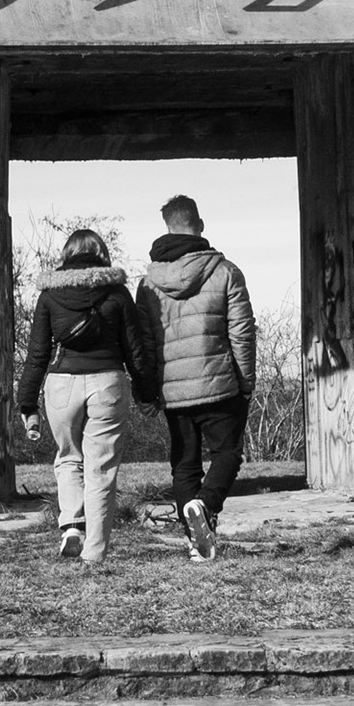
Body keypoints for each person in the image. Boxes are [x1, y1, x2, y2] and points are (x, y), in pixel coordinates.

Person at [17, 228, 159, 564]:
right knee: (101, 468)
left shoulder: (50, 295)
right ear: (101, 255)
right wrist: (146, 393)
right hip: (107, 382)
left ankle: (72, 527)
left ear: (67, 255)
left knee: (68, 458)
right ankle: (94, 551)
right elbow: (135, 350)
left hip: (61, 385)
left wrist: (27, 402)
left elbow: (37, 354)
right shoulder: (117, 293)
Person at [135, 195, 255, 562]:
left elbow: (145, 344)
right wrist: (246, 381)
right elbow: (241, 333)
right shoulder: (226, 272)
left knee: (184, 464)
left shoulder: (149, 283)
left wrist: (147, 391)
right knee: (228, 453)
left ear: (168, 227)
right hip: (220, 384)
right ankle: (205, 505)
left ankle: (196, 542)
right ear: (199, 225)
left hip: (174, 390)